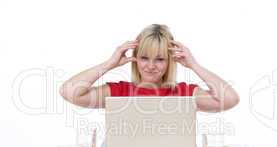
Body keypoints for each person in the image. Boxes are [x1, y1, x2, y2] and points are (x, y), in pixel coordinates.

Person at [60, 24, 239, 112]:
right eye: (144, 57)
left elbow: (230, 99)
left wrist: (194, 65)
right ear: (136, 58)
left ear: (170, 61)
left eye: (160, 59)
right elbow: (69, 92)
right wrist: (109, 64)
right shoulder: (119, 91)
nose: (151, 66)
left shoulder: (184, 93)